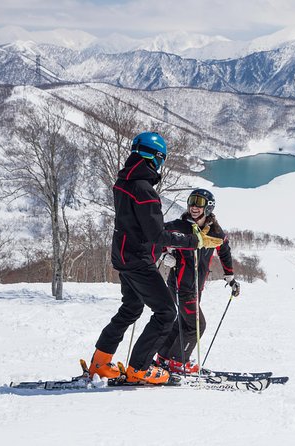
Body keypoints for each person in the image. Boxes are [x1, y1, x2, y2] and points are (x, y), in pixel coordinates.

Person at [88, 133, 223, 384]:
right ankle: (139, 368)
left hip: (122, 255)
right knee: (165, 313)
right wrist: (194, 242)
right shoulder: (145, 191)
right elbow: (157, 235)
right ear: (157, 158)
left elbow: (136, 226)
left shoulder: (123, 182)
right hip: (138, 260)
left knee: (130, 308)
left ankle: (100, 361)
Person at [156, 188, 240, 374]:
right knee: (196, 325)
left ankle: (163, 357)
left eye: (199, 202)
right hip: (180, 285)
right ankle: (178, 362)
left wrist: (230, 276)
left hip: (196, 286)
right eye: (191, 201)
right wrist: (165, 254)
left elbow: (224, 249)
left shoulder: (215, 232)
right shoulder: (179, 225)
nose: (194, 206)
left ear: (208, 207)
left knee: (184, 322)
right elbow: (156, 235)